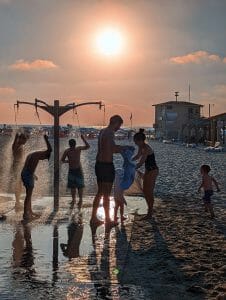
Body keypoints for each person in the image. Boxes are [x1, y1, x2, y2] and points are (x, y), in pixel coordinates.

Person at [90, 115, 129, 226]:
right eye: (119, 125)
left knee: (99, 192)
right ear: (115, 122)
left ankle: (93, 218)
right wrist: (124, 148)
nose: (119, 128)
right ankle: (108, 219)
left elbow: (106, 147)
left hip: (99, 164)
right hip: (106, 166)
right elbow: (112, 149)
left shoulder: (102, 131)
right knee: (106, 194)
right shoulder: (110, 133)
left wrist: (119, 147)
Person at [21, 134, 52, 222]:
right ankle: (25, 214)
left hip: (25, 173)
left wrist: (34, 175)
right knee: (28, 195)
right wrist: (46, 139)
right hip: (27, 175)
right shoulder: (37, 156)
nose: (42, 160)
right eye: (44, 158)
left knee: (29, 194)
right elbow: (50, 149)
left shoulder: (33, 154)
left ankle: (29, 211)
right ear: (44, 155)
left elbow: (28, 167)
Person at [133, 128, 159, 220]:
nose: (135, 143)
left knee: (149, 192)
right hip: (148, 170)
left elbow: (141, 162)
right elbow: (137, 156)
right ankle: (150, 210)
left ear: (140, 141)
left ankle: (150, 213)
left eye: (135, 141)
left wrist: (132, 167)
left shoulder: (147, 148)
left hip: (153, 171)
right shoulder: (141, 147)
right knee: (145, 191)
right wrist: (129, 161)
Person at [61, 135, 90, 208]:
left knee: (78, 186)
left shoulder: (75, 149)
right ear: (73, 144)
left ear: (70, 144)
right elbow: (62, 160)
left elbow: (88, 147)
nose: (72, 146)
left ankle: (79, 200)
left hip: (76, 170)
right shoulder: (70, 150)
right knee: (73, 187)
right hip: (74, 170)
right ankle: (75, 200)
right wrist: (83, 139)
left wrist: (83, 139)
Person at [12, 132, 29, 210]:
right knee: (18, 184)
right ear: (21, 139)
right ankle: (17, 202)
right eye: (24, 140)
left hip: (19, 166)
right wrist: (16, 137)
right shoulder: (16, 145)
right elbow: (14, 147)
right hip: (16, 166)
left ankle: (18, 201)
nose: (25, 142)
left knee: (20, 184)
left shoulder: (20, 145)